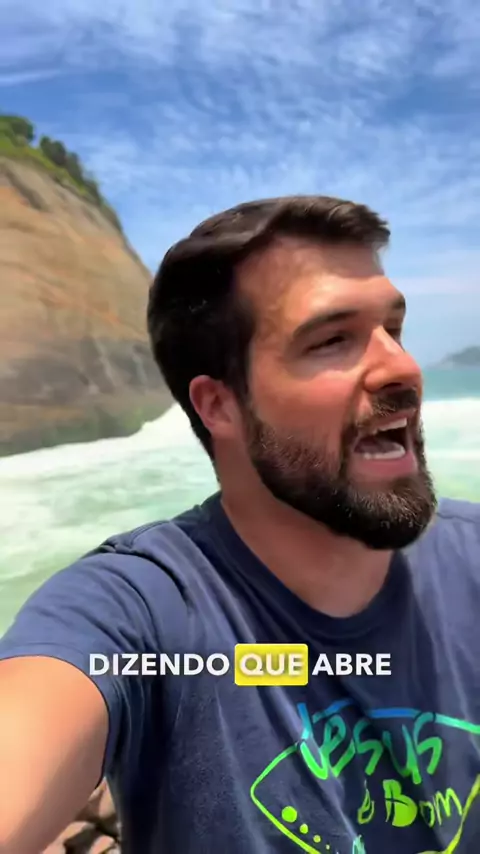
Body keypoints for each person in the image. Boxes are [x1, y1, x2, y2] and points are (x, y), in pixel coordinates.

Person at [0, 195, 479, 854]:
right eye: (333, 340)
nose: (403, 368)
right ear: (219, 405)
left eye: (392, 329)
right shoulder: (141, 612)